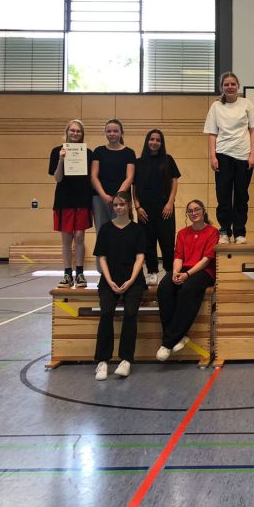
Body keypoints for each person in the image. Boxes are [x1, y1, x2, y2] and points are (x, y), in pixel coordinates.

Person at [155, 200, 218, 361]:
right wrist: (176, 273)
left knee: (187, 289)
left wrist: (187, 275)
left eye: (197, 209)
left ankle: (167, 342)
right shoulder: (182, 233)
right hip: (183, 269)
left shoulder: (212, 232)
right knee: (164, 288)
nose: (194, 213)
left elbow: (206, 260)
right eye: (190, 211)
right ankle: (179, 337)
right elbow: (178, 257)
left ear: (203, 211)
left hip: (203, 271)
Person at [92, 191, 146, 381]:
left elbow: (140, 257)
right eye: (115, 205)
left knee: (130, 313)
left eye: (122, 204)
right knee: (106, 312)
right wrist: (109, 280)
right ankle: (102, 360)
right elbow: (102, 257)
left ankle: (126, 360)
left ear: (128, 205)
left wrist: (131, 280)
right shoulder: (106, 229)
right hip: (110, 280)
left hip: (133, 280)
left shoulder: (138, 230)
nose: (118, 208)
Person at [204, 71, 254, 244]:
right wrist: (213, 156)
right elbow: (212, 133)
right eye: (226, 84)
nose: (230, 87)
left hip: (243, 156)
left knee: (242, 196)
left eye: (233, 84)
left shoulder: (247, 104)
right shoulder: (216, 106)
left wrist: (253, 154)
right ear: (222, 87)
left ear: (238, 86)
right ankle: (224, 231)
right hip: (223, 155)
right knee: (223, 195)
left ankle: (239, 232)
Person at [48, 119, 93, 287]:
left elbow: (91, 176)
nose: (75, 133)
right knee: (66, 238)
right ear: (67, 132)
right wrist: (61, 160)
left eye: (78, 131)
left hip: (82, 199)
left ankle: (80, 273)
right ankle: (67, 274)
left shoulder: (88, 153)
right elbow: (57, 178)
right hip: (64, 200)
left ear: (82, 134)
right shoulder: (56, 151)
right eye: (72, 130)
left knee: (80, 236)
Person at [132, 129, 180, 286]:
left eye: (158, 140)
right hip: (144, 209)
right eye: (151, 139)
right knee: (148, 242)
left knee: (167, 241)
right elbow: (134, 188)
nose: (154, 142)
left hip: (165, 208)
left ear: (162, 143)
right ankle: (152, 272)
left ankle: (169, 271)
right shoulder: (139, 162)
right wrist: (137, 207)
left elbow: (174, 182)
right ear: (147, 141)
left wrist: (170, 203)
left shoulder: (168, 159)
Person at [91, 118, 136, 233]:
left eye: (115, 131)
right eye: (109, 131)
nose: (112, 134)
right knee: (102, 231)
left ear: (121, 133)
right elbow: (94, 176)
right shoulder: (98, 151)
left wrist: (117, 197)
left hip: (122, 198)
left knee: (122, 231)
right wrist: (104, 195)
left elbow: (130, 177)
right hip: (100, 198)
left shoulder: (129, 153)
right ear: (105, 133)